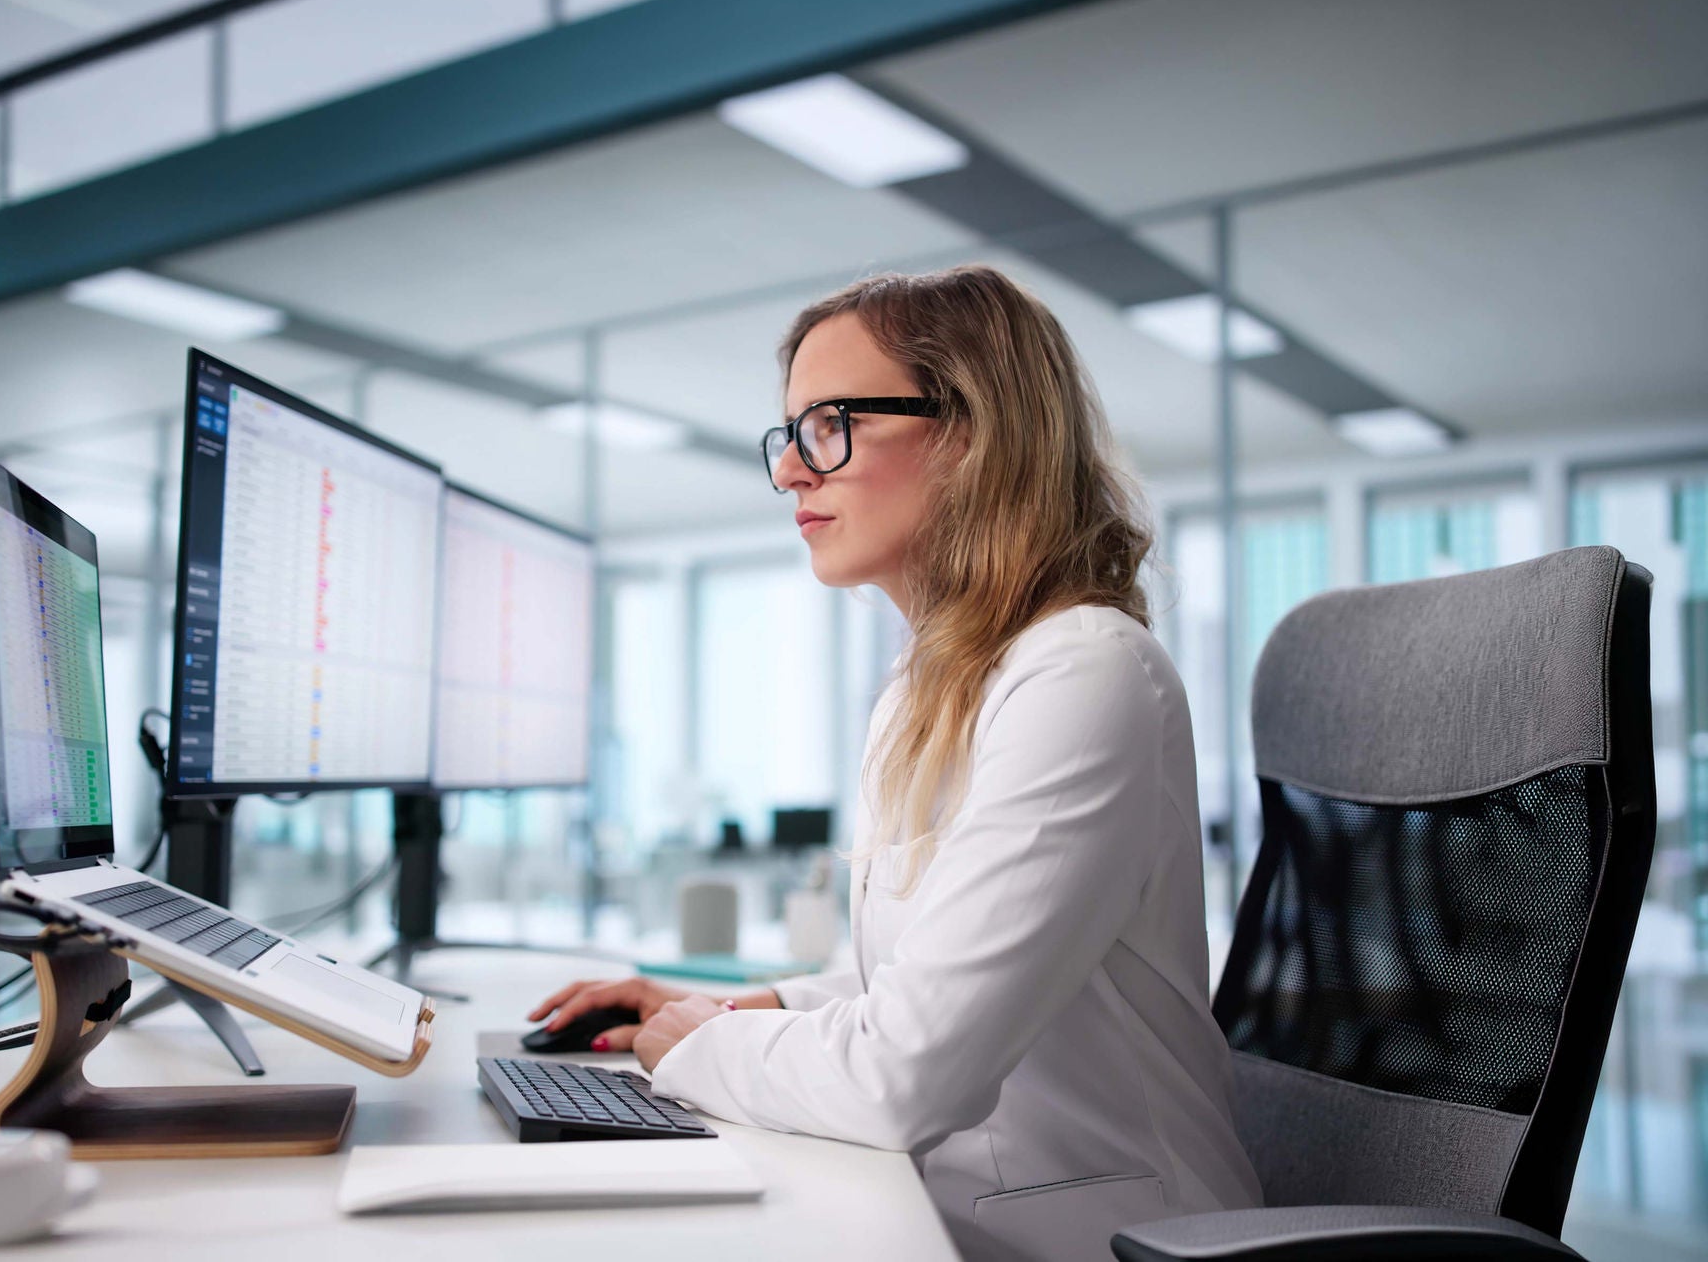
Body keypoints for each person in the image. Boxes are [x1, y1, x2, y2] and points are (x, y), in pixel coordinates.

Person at [527, 267, 1260, 1261]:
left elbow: (906, 1074)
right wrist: (752, 1006)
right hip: (954, 1216)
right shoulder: (927, 691)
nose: (791, 471)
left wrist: (701, 1043)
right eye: (789, 435)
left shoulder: (1084, 672)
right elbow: (931, 981)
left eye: (831, 425)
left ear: (970, 433)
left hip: (1108, 1241)